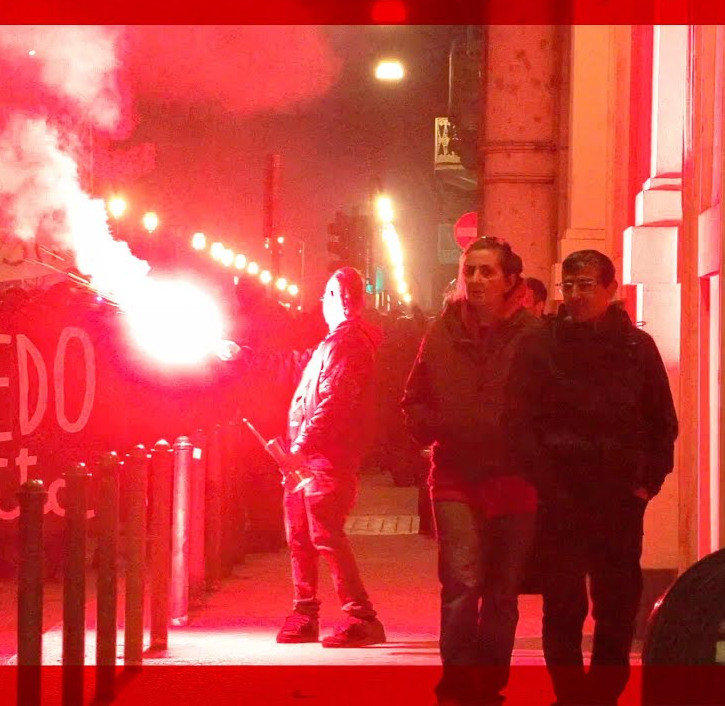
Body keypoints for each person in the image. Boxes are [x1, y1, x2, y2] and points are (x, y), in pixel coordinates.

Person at [505, 249, 678, 706]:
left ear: (610, 290)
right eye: (570, 285)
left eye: (587, 285)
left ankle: (603, 694)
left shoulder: (636, 349)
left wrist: (646, 484)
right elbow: (518, 422)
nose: (577, 295)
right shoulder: (540, 345)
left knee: (616, 606)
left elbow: (662, 422)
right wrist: (542, 483)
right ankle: (569, 695)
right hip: (558, 498)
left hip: (619, 499)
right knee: (562, 605)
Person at [401, 237, 541, 705]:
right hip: (456, 476)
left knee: (501, 592)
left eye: (487, 272)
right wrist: (433, 429)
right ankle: (458, 684)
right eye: (471, 271)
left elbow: (558, 404)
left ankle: (489, 686)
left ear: (510, 281)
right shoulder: (441, 334)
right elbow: (413, 398)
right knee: (461, 583)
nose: (477, 280)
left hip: (514, 480)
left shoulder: (534, 336)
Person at [222, 267, 386, 647]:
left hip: (324, 460)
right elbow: (292, 364)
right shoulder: (334, 344)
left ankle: (361, 616)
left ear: (341, 299)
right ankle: (305, 610)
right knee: (300, 534)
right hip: (310, 460)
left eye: (327, 294)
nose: (320, 303)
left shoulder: (350, 344)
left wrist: (300, 449)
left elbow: (335, 403)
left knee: (324, 533)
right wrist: (241, 355)